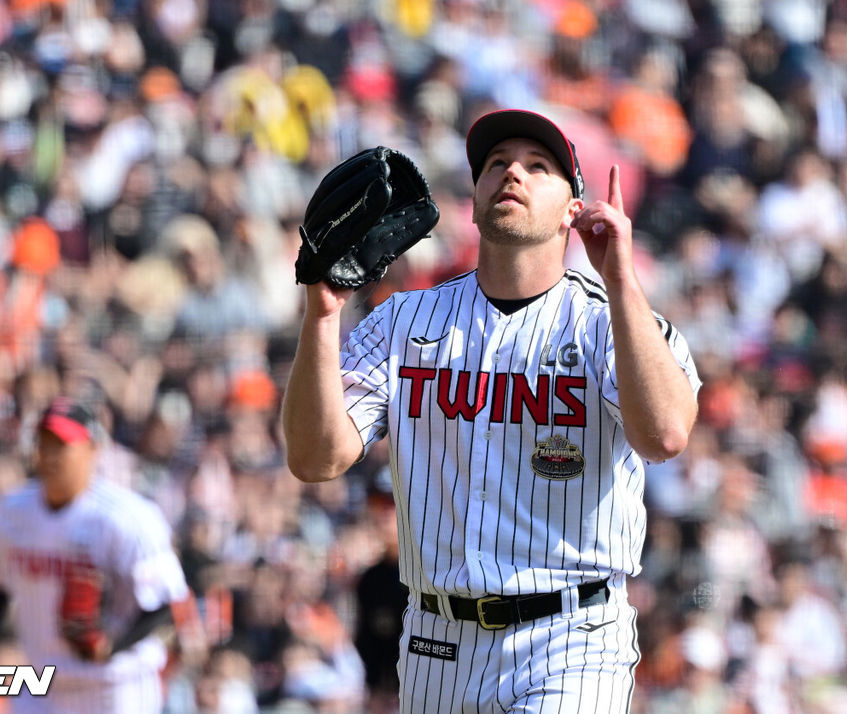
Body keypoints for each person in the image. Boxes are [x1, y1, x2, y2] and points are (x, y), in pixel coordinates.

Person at [282, 108, 700, 712]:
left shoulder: (607, 324)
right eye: (497, 165)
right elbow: (314, 458)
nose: (512, 174)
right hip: (436, 641)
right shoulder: (406, 320)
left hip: (571, 635)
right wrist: (322, 316)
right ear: (474, 203)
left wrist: (621, 281)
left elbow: (664, 434)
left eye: (538, 166)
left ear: (571, 211)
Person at [0, 397, 192, 713]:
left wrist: (112, 645)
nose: (50, 454)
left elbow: (168, 605)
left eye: (63, 444)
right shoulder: (14, 512)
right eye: (44, 442)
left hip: (114, 687)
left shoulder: (127, 518)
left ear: (93, 449)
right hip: (42, 685)